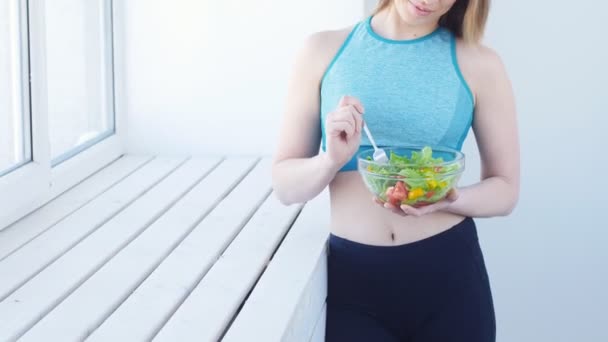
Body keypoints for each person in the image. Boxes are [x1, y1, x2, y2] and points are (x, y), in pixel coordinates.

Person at [271, 0, 519, 340]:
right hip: (353, 283)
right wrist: (329, 159)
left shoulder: (480, 63)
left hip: (451, 280)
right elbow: (286, 186)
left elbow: (505, 190)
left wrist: (448, 199)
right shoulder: (321, 51)